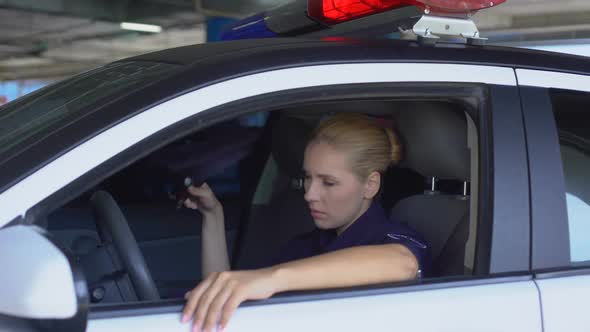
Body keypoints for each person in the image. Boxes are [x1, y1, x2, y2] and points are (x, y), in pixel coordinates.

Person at [181, 113, 429, 332]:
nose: (309, 194)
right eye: (307, 179)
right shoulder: (304, 246)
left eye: (328, 182)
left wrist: (271, 278)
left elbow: (403, 264)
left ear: (370, 185)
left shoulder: (391, 239)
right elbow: (225, 306)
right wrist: (213, 217)